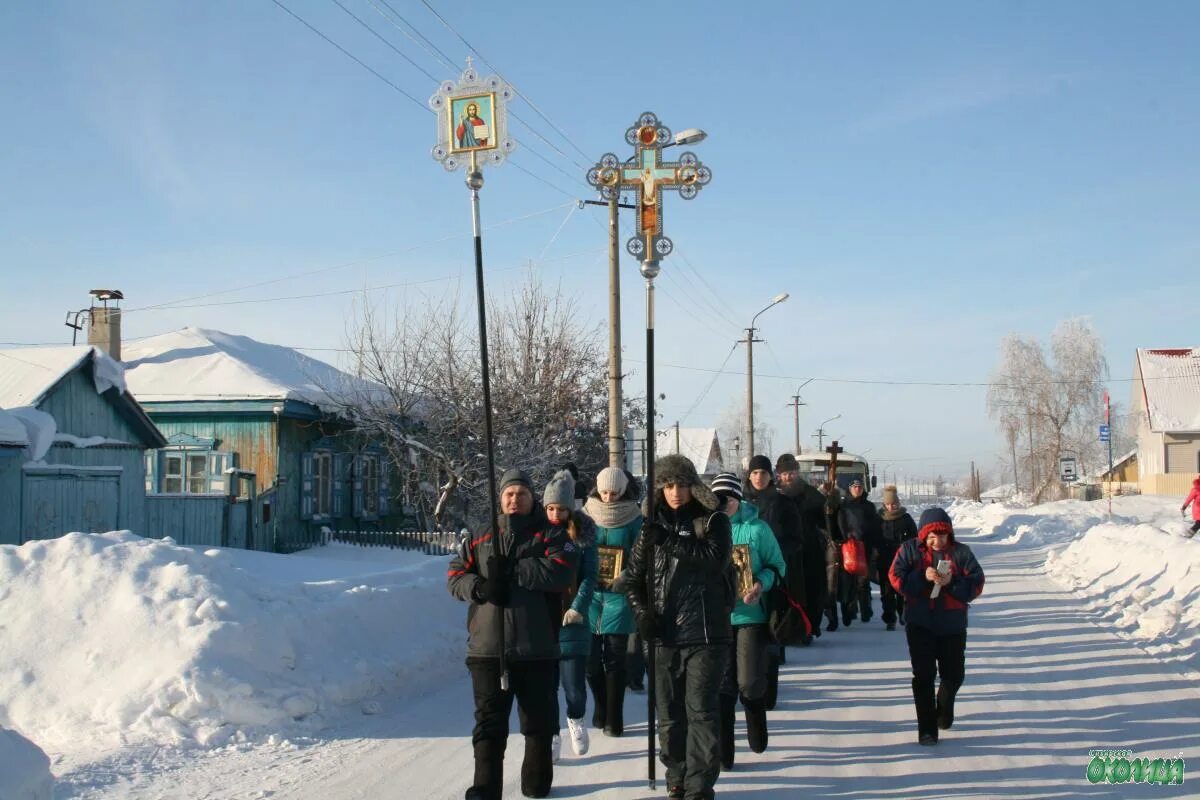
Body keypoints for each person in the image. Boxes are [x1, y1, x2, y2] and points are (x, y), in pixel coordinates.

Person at [447, 468, 580, 799]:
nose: (514, 499)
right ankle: (485, 788)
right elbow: (455, 576)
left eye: (521, 493)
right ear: (500, 497)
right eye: (508, 494)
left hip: (536, 646)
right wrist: (482, 587)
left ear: (531, 497)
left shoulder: (550, 535)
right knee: (489, 725)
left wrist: (516, 570)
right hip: (488, 648)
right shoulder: (480, 536)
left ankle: (536, 782)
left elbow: (563, 572)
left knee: (537, 722)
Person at [625, 454, 733, 800]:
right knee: (669, 716)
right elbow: (632, 580)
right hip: (662, 636)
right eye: (667, 485)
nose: (674, 492)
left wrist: (668, 539)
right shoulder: (648, 527)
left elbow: (714, 559)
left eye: (681, 485)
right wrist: (643, 614)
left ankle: (700, 786)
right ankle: (677, 774)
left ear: (693, 486)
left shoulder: (713, 520)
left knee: (700, 711)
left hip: (705, 632)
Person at [888, 507, 985, 746]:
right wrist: (922, 577)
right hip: (919, 622)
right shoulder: (910, 550)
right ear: (923, 536)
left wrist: (952, 582)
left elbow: (976, 584)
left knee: (953, 676)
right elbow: (895, 578)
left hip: (952, 624)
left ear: (949, 534)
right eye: (931, 537)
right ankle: (927, 730)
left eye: (941, 536)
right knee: (923, 676)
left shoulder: (961, 553)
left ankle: (943, 708)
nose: (936, 541)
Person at [710, 472, 786, 771]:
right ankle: (724, 754)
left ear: (738, 499)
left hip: (750, 615)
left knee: (750, 682)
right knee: (722, 686)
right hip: (715, 617)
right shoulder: (705, 528)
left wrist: (760, 584)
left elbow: (778, 565)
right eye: (718, 499)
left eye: (728, 498)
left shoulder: (757, 529)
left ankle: (756, 724)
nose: (723, 504)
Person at [581, 466, 642, 736]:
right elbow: (574, 547)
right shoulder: (585, 515)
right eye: (604, 492)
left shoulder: (633, 517)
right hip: (591, 595)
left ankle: (614, 718)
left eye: (615, 492)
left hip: (619, 595)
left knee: (616, 659)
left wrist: (628, 575)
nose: (609, 497)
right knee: (591, 661)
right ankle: (601, 704)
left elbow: (642, 555)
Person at [741, 454, 803, 708]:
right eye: (755, 473)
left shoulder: (783, 503)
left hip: (774, 577)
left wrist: (774, 551)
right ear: (749, 476)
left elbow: (796, 539)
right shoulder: (739, 502)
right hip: (743, 578)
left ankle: (768, 692)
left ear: (770, 476)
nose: (759, 477)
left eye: (763, 473)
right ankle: (746, 687)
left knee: (771, 635)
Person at [544, 470, 598, 761]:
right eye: (550, 508)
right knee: (546, 688)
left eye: (560, 508)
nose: (555, 514)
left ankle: (576, 719)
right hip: (541, 621)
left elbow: (591, 576)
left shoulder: (584, 535)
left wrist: (578, 606)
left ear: (570, 508)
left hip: (573, 621)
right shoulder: (537, 532)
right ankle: (553, 734)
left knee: (574, 686)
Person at [774, 453, 829, 639]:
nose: (789, 477)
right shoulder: (774, 496)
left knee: (813, 588)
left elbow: (826, 520)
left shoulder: (811, 495)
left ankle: (810, 626)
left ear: (797, 473)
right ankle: (787, 628)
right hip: (784, 550)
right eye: (785, 473)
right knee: (787, 591)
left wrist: (832, 504)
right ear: (779, 475)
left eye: (792, 473)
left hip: (809, 549)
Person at [837, 479, 881, 625]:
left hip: (865, 547)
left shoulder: (868, 507)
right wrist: (845, 539)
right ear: (849, 489)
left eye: (860, 487)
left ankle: (866, 610)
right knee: (848, 581)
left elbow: (875, 527)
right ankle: (849, 612)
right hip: (849, 548)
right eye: (855, 487)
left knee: (863, 580)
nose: (857, 489)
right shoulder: (843, 506)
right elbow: (840, 524)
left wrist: (874, 545)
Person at [876, 485, 917, 630]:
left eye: (893, 504)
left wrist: (905, 545)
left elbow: (914, 537)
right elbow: (873, 537)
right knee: (886, 591)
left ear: (897, 503)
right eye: (888, 504)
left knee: (901, 590)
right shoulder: (878, 518)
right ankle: (889, 619)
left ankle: (902, 613)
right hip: (884, 560)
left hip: (902, 560)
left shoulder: (905, 518)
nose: (891, 507)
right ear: (884, 504)